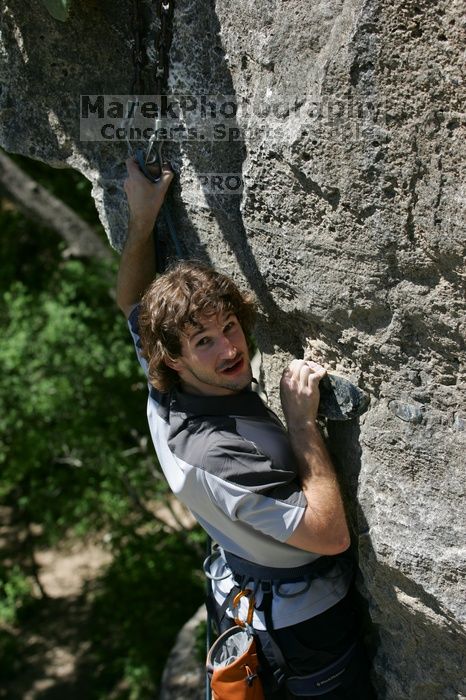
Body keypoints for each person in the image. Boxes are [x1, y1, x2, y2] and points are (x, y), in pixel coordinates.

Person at [117, 158, 375, 699]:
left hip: (242, 588)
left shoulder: (166, 388)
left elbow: (131, 304)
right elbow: (329, 535)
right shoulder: (218, 452)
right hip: (306, 631)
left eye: (228, 327)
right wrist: (303, 424)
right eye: (204, 342)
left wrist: (142, 220)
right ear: (178, 358)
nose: (230, 350)